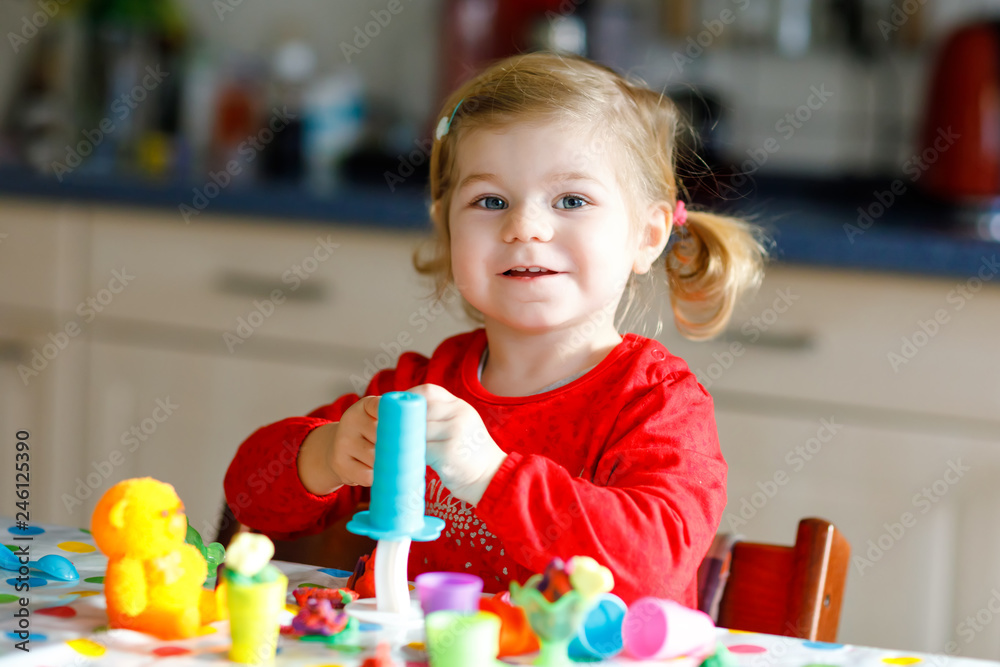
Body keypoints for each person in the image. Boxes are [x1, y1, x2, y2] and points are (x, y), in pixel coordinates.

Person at [224, 51, 767, 607]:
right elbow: (248, 497)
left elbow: (651, 567)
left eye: (572, 200)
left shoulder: (656, 405)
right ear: (447, 228)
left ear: (648, 235)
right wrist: (328, 453)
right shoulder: (418, 387)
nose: (524, 226)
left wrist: (490, 476)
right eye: (490, 201)